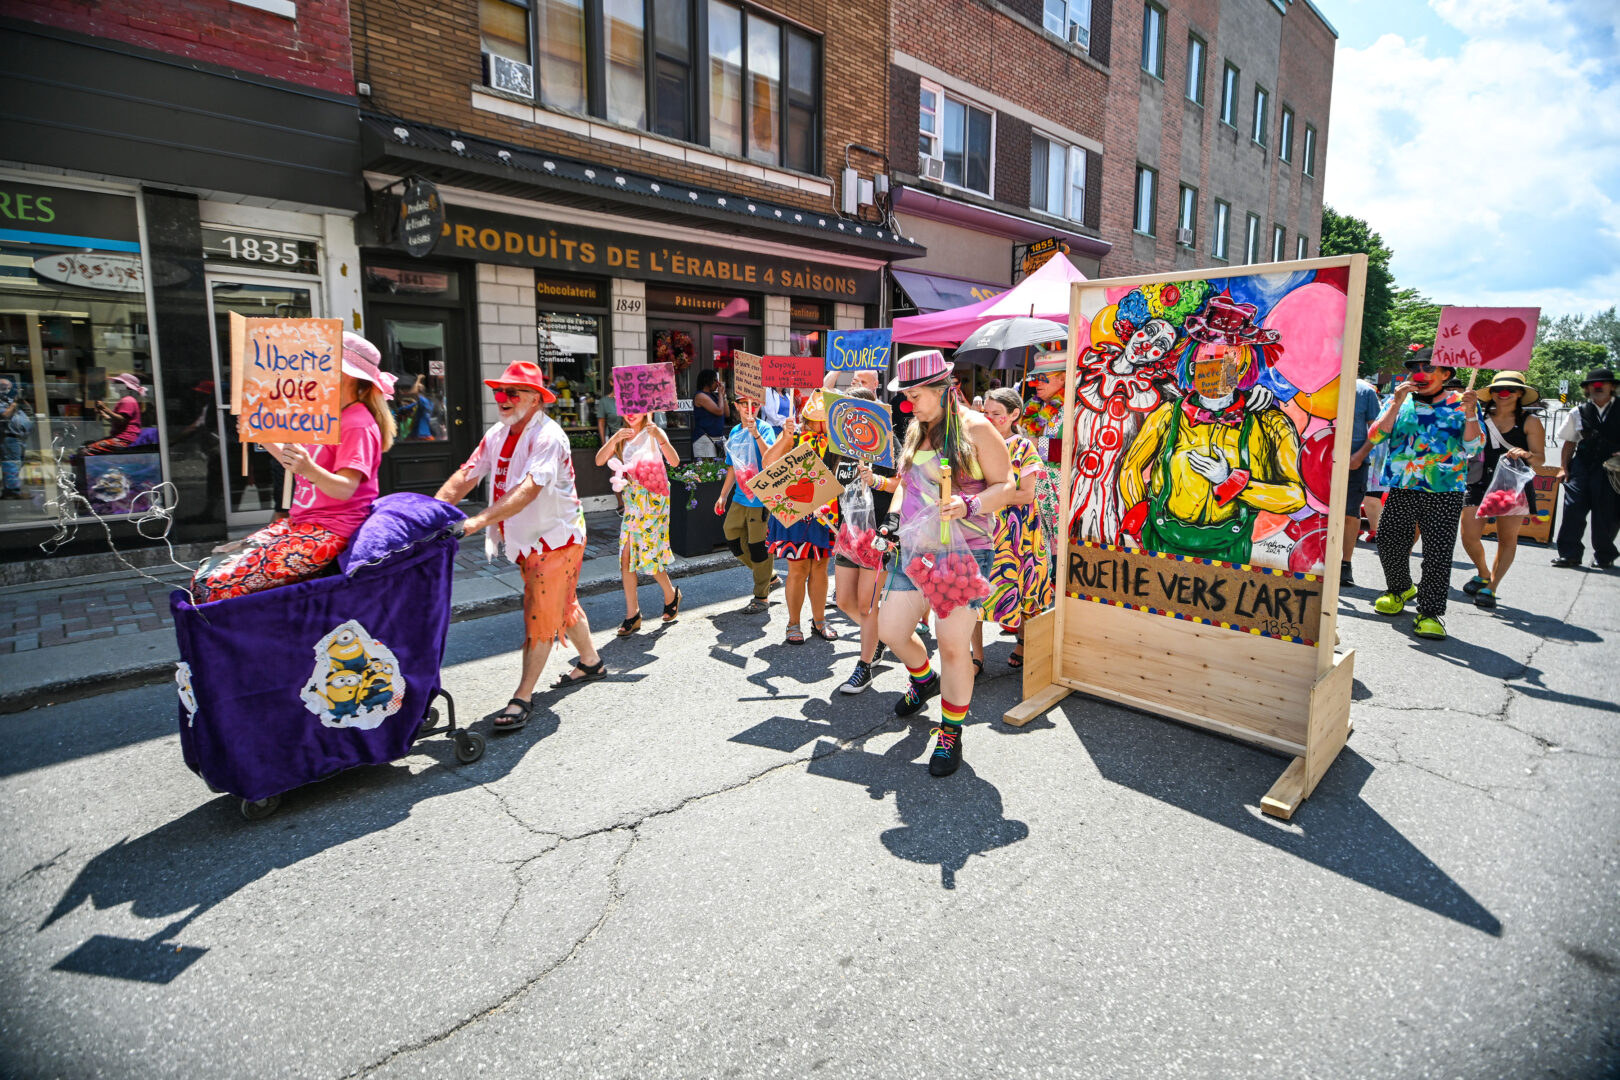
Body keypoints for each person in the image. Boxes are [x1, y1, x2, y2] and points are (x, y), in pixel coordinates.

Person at [434, 360, 604, 731]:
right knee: (562, 603)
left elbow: (530, 487)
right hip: (525, 539)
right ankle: (591, 661)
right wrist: (431, 511)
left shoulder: (550, 436)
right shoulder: (497, 433)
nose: (502, 398)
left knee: (540, 612)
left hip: (557, 539)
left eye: (512, 392)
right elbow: (467, 473)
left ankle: (523, 696)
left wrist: (479, 520)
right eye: (499, 392)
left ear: (536, 399)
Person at [872, 349, 1013, 778]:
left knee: (952, 645)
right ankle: (922, 679)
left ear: (942, 389)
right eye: (907, 394)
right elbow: (906, 485)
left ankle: (950, 731)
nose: (907, 403)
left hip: (963, 553)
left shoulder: (978, 428)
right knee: (891, 630)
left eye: (914, 394)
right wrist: (892, 520)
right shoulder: (917, 428)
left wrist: (968, 502)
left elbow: (1006, 485)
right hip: (915, 549)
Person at [192, 333, 395, 603]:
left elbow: (345, 489)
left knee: (214, 587)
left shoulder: (356, 423)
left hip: (332, 529)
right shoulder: (326, 414)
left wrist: (308, 468)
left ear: (344, 374)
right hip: (302, 523)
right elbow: (298, 462)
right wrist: (261, 435)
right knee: (204, 579)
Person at [1366, 345, 1483, 640]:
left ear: (1445, 374)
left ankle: (1430, 612)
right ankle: (1400, 588)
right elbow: (1376, 435)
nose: (1419, 374)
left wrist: (1470, 415)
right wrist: (1395, 403)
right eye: (1414, 368)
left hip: (1444, 490)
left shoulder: (1462, 402)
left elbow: (1473, 448)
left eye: (1428, 368)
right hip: (1402, 486)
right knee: (1390, 542)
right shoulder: (1400, 401)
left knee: (1437, 553)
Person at [973, 388, 1053, 672]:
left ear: (1014, 414)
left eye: (997, 414)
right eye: (987, 413)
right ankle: (976, 656)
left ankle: (1023, 642)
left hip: (1019, 533)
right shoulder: (975, 444)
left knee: (1025, 589)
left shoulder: (1023, 447)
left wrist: (985, 498)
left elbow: (1027, 494)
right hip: (982, 528)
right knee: (976, 595)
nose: (990, 418)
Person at [1457, 372, 1545, 608]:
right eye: (1497, 390)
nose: (1502, 394)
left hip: (1512, 484)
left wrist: (1526, 454)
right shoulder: (1478, 416)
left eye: (1509, 390)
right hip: (1478, 479)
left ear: (1519, 394)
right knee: (1468, 536)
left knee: (1507, 538)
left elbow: (1540, 459)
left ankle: (1491, 586)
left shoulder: (1530, 422)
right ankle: (1483, 572)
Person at [761, 391, 838, 644]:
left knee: (821, 568)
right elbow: (767, 464)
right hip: (795, 512)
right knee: (797, 568)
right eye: (824, 418)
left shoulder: (836, 442)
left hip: (827, 512)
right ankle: (793, 623)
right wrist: (785, 439)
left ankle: (819, 621)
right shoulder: (794, 437)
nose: (826, 422)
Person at [596, 410, 682, 635]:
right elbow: (599, 460)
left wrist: (661, 437)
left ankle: (671, 594)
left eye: (637, 410)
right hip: (633, 502)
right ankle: (632, 614)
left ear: (646, 411)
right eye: (627, 410)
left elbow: (674, 461)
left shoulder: (653, 431)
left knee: (649, 555)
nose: (632, 415)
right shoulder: (621, 436)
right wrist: (614, 438)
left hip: (654, 501)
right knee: (626, 555)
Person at [834, 383, 892, 694]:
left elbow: (904, 484)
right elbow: (833, 482)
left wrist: (878, 480)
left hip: (879, 533)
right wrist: (817, 502)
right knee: (844, 601)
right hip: (848, 532)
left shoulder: (887, 441)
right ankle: (879, 635)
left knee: (867, 606)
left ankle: (864, 665)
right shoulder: (841, 444)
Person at [716, 399, 779, 614]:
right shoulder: (734, 431)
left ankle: (761, 597)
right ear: (736, 406)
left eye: (752, 404)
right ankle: (768, 575)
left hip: (761, 497)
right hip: (740, 496)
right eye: (743, 404)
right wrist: (723, 495)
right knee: (731, 534)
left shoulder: (765, 428)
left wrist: (756, 435)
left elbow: (771, 459)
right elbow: (733, 466)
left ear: (759, 406)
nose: (748, 408)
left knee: (758, 547)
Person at [1553, 367, 1619, 570]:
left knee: (1607, 512)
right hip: (1582, 464)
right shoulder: (1578, 412)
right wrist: (1564, 467)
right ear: (1587, 389)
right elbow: (1569, 443)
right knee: (1573, 508)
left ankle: (1604, 555)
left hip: (1612, 469)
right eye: (1592, 384)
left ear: (1612, 387)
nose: (1597, 387)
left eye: (1602, 384)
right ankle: (1569, 554)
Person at [1340, 376, 1384, 586]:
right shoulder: (1312, 384)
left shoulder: (1365, 392)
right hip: (1316, 462)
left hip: (1353, 463)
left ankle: (1345, 563)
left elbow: (1377, 430)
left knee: (1350, 512)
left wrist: (1359, 456)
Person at [82, 372, 146, 456]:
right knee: (89, 446)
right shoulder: (127, 399)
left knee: (87, 451)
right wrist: (103, 413)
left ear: (126, 386)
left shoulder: (128, 400)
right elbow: (116, 420)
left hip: (124, 439)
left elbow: (121, 420)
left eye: (118, 383)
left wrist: (105, 408)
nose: (114, 384)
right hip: (122, 438)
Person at [1, 377, 31, 499]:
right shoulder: (6, 403)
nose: (7, 390)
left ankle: (11, 490)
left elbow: (29, 412)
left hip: (20, 438)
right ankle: (12, 492)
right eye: (3, 388)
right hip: (8, 437)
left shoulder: (10, 401)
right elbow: (4, 415)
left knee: (18, 464)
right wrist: (14, 403)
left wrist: (22, 401)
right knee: (12, 464)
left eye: (9, 387)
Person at [691, 368, 731, 459]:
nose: (717, 383)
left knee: (723, 468)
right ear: (708, 381)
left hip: (719, 438)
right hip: (705, 438)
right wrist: (720, 395)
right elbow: (719, 411)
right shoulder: (700, 396)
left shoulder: (715, 396)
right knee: (707, 470)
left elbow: (727, 414)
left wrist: (723, 397)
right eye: (715, 380)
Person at [392, 374, 438, 442]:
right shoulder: (421, 403)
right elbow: (403, 409)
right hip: (417, 433)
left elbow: (413, 393)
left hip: (422, 435)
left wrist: (418, 379)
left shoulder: (424, 402)